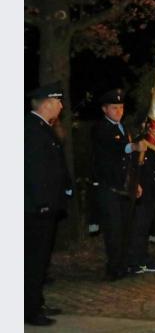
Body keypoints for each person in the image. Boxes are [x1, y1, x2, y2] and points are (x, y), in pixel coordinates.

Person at [25, 82, 72, 326]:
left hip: (45, 205)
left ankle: (35, 302)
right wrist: (43, 202)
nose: (62, 106)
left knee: (41, 258)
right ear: (46, 103)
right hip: (36, 208)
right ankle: (29, 310)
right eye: (58, 101)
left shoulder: (43, 127)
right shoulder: (32, 128)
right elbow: (34, 170)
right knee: (33, 259)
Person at [91, 88, 146, 281]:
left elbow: (129, 161)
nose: (118, 111)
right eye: (114, 108)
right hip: (109, 186)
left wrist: (135, 183)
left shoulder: (124, 128)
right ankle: (114, 267)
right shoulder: (101, 128)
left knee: (125, 228)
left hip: (125, 186)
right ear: (105, 109)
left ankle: (123, 264)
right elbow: (112, 147)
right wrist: (132, 146)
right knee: (113, 229)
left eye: (121, 107)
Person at [127, 145, 155, 274]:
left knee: (144, 228)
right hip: (141, 190)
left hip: (151, 190)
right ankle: (133, 260)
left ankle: (142, 257)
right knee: (138, 226)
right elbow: (134, 165)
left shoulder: (154, 146)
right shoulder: (138, 142)